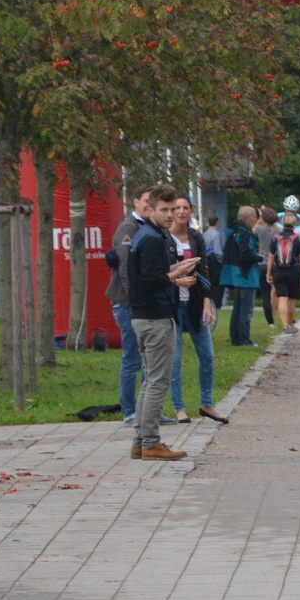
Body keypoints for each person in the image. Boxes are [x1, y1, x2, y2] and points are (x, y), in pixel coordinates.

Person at [127, 185, 191, 461]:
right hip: (154, 318)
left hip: (145, 317)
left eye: (173, 208)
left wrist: (176, 268)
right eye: (164, 210)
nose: (171, 214)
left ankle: (140, 442)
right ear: (149, 210)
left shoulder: (148, 236)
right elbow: (150, 280)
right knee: (157, 382)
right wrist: (176, 276)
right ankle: (151, 442)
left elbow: (151, 273)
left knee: (149, 381)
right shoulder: (152, 239)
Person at [168, 196, 227, 424]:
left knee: (207, 355)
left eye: (185, 208)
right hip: (173, 305)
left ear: (192, 211)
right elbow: (156, 274)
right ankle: (179, 408)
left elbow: (203, 270)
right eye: (176, 208)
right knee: (175, 358)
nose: (181, 212)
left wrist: (207, 303)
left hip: (194, 304)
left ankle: (207, 403)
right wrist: (175, 282)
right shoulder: (163, 238)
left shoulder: (195, 236)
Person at [105, 185, 153, 427]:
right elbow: (124, 269)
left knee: (148, 360)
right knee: (132, 358)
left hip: (142, 303)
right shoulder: (128, 228)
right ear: (135, 201)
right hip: (128, 303)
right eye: (146, 200)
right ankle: (129, 411)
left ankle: (147, 411)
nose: (149, 205)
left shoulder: (149, 228)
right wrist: (135, 299)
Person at [221, 207, 262, 348]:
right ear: (247, 218)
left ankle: (236, 339)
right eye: (254, 217)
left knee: (237, 309)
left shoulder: (233, 233)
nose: (256, 220)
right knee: (246, 310)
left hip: (236, 275)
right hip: (246, 276)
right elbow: (245, 255)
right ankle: (244, 339)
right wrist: (258, 257)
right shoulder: (244, 234)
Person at [267, 213, 300, 333]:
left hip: (278, 270)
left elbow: (271, 256)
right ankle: (290, 324)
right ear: (294, 224)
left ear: (283, 223)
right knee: (291, 298)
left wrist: (269, 273)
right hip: (294, 270)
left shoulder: (276, 237)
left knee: (282, 297)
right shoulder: (298, 238)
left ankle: (284, 325)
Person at [255, 206, 277, 327]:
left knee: (265, 295)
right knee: (278, 292)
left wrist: (260, 216)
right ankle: (286, 316)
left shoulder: (260, 230)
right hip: (276, 264)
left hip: (262, 263)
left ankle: (270, 322)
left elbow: (253, 228)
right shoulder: (279, 229)